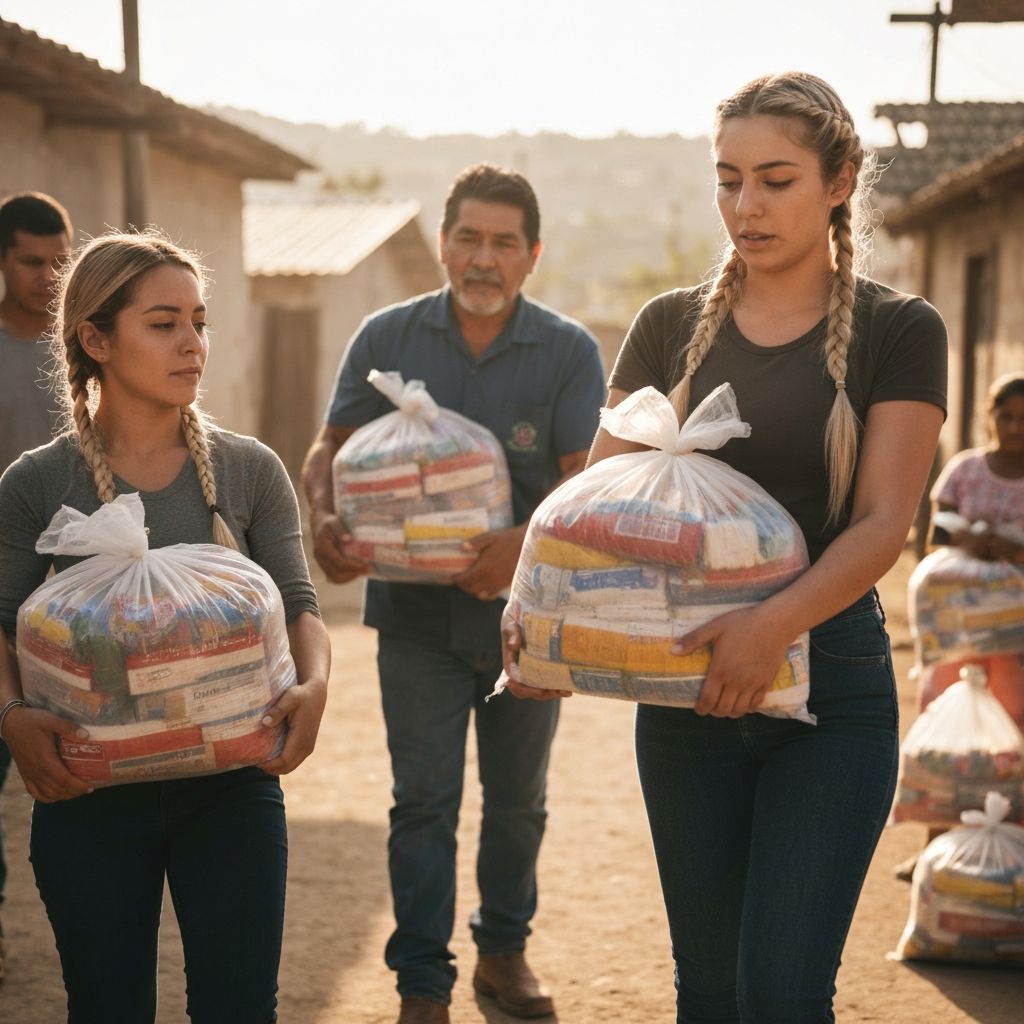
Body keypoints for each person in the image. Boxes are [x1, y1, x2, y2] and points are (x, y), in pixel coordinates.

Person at [504, 73, 947, 1022]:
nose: (745, 206)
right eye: (728, 179)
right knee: (706, 995)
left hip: (830, 689)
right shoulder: (668, 327)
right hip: (684, 701)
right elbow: (598, 511)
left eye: (775, 180)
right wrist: (546, 631)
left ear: (840, 181)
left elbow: (882, 524)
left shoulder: (901, 331)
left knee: (781, 996)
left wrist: (769, 626)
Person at [0, 230, 330, 1023]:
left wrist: (316, 687)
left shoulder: (249, 470)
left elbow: (298, 602)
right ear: (95, 339)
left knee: (240, 1005)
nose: (193, 343)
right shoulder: (41, 481)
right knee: (107, 1006)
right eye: (163, 323)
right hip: (87, 795)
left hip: (233, 793)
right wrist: (11, 719)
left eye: (199, 321)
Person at [302, 163, 605, 1024]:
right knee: (423, 802)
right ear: (442, 244)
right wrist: (326, 518)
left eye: (503, 242)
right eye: (467, 238)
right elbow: (329, 449)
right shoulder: (387, 337)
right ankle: (423, 986)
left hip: (528, 625)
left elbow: (582, 486)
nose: (482, 258)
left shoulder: (568, 351)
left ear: (532, 254)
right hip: (415, 621)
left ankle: (503, 952)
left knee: (518, 804)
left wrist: (520, 546)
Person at [894, 372, 1024, 881]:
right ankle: (937, 851)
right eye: (1006, 417)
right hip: (956, 641)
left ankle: (1004, 854)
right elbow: (935, 540)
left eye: (1023, 419)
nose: (1014, 428)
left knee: (1009, 737)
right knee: (948, 739)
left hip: (1014, 645)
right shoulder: (965, 471)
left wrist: (1011, 550)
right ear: (990, 417)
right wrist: (974, 544)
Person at [0, 190, 73, 981]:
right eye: (32, 261)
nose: (49, 276)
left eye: (63, 260)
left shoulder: (87, 353)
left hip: (68, 601)